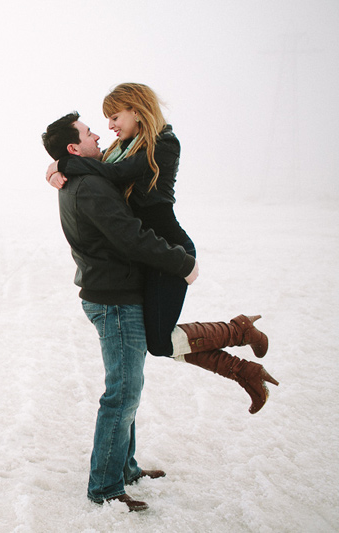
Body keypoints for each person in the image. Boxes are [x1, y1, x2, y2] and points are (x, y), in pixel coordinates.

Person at [41, 111, 277, 511]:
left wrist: (58, 165)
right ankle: (105, 486)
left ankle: (125, 466)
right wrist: (181, 263)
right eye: (87, 133)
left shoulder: (84, 176)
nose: (98, 134)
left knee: (129, 388)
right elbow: (131, 238)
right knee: (122, 394)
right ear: (73, 146)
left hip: (114, 293)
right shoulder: (90, 186)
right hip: (114, 300)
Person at [45, 85, 278, 415]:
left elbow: (115, 174)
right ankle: (244, 363)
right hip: (148, 253)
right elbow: (101, 171)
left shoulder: (164, 144)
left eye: (114, 117)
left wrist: (63, 164)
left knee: (158, 341)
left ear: (137, 110)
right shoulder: (119, 147)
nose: (109, 126)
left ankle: (239, 335)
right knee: (159, 340)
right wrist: (58, 166)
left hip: (171, 250)